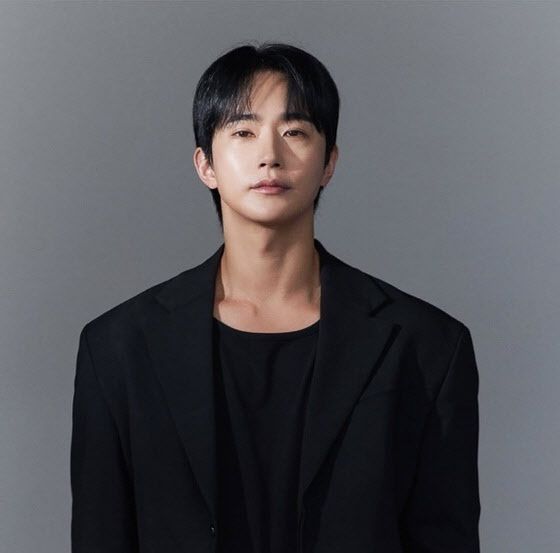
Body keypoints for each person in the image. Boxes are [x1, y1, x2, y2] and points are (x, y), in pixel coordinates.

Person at [70, 42, 481, 553]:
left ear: (329, 163)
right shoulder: (119, 349)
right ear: (205, 164)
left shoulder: (427, 347)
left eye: (295, 132)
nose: (270, 155)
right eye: (243, 132)